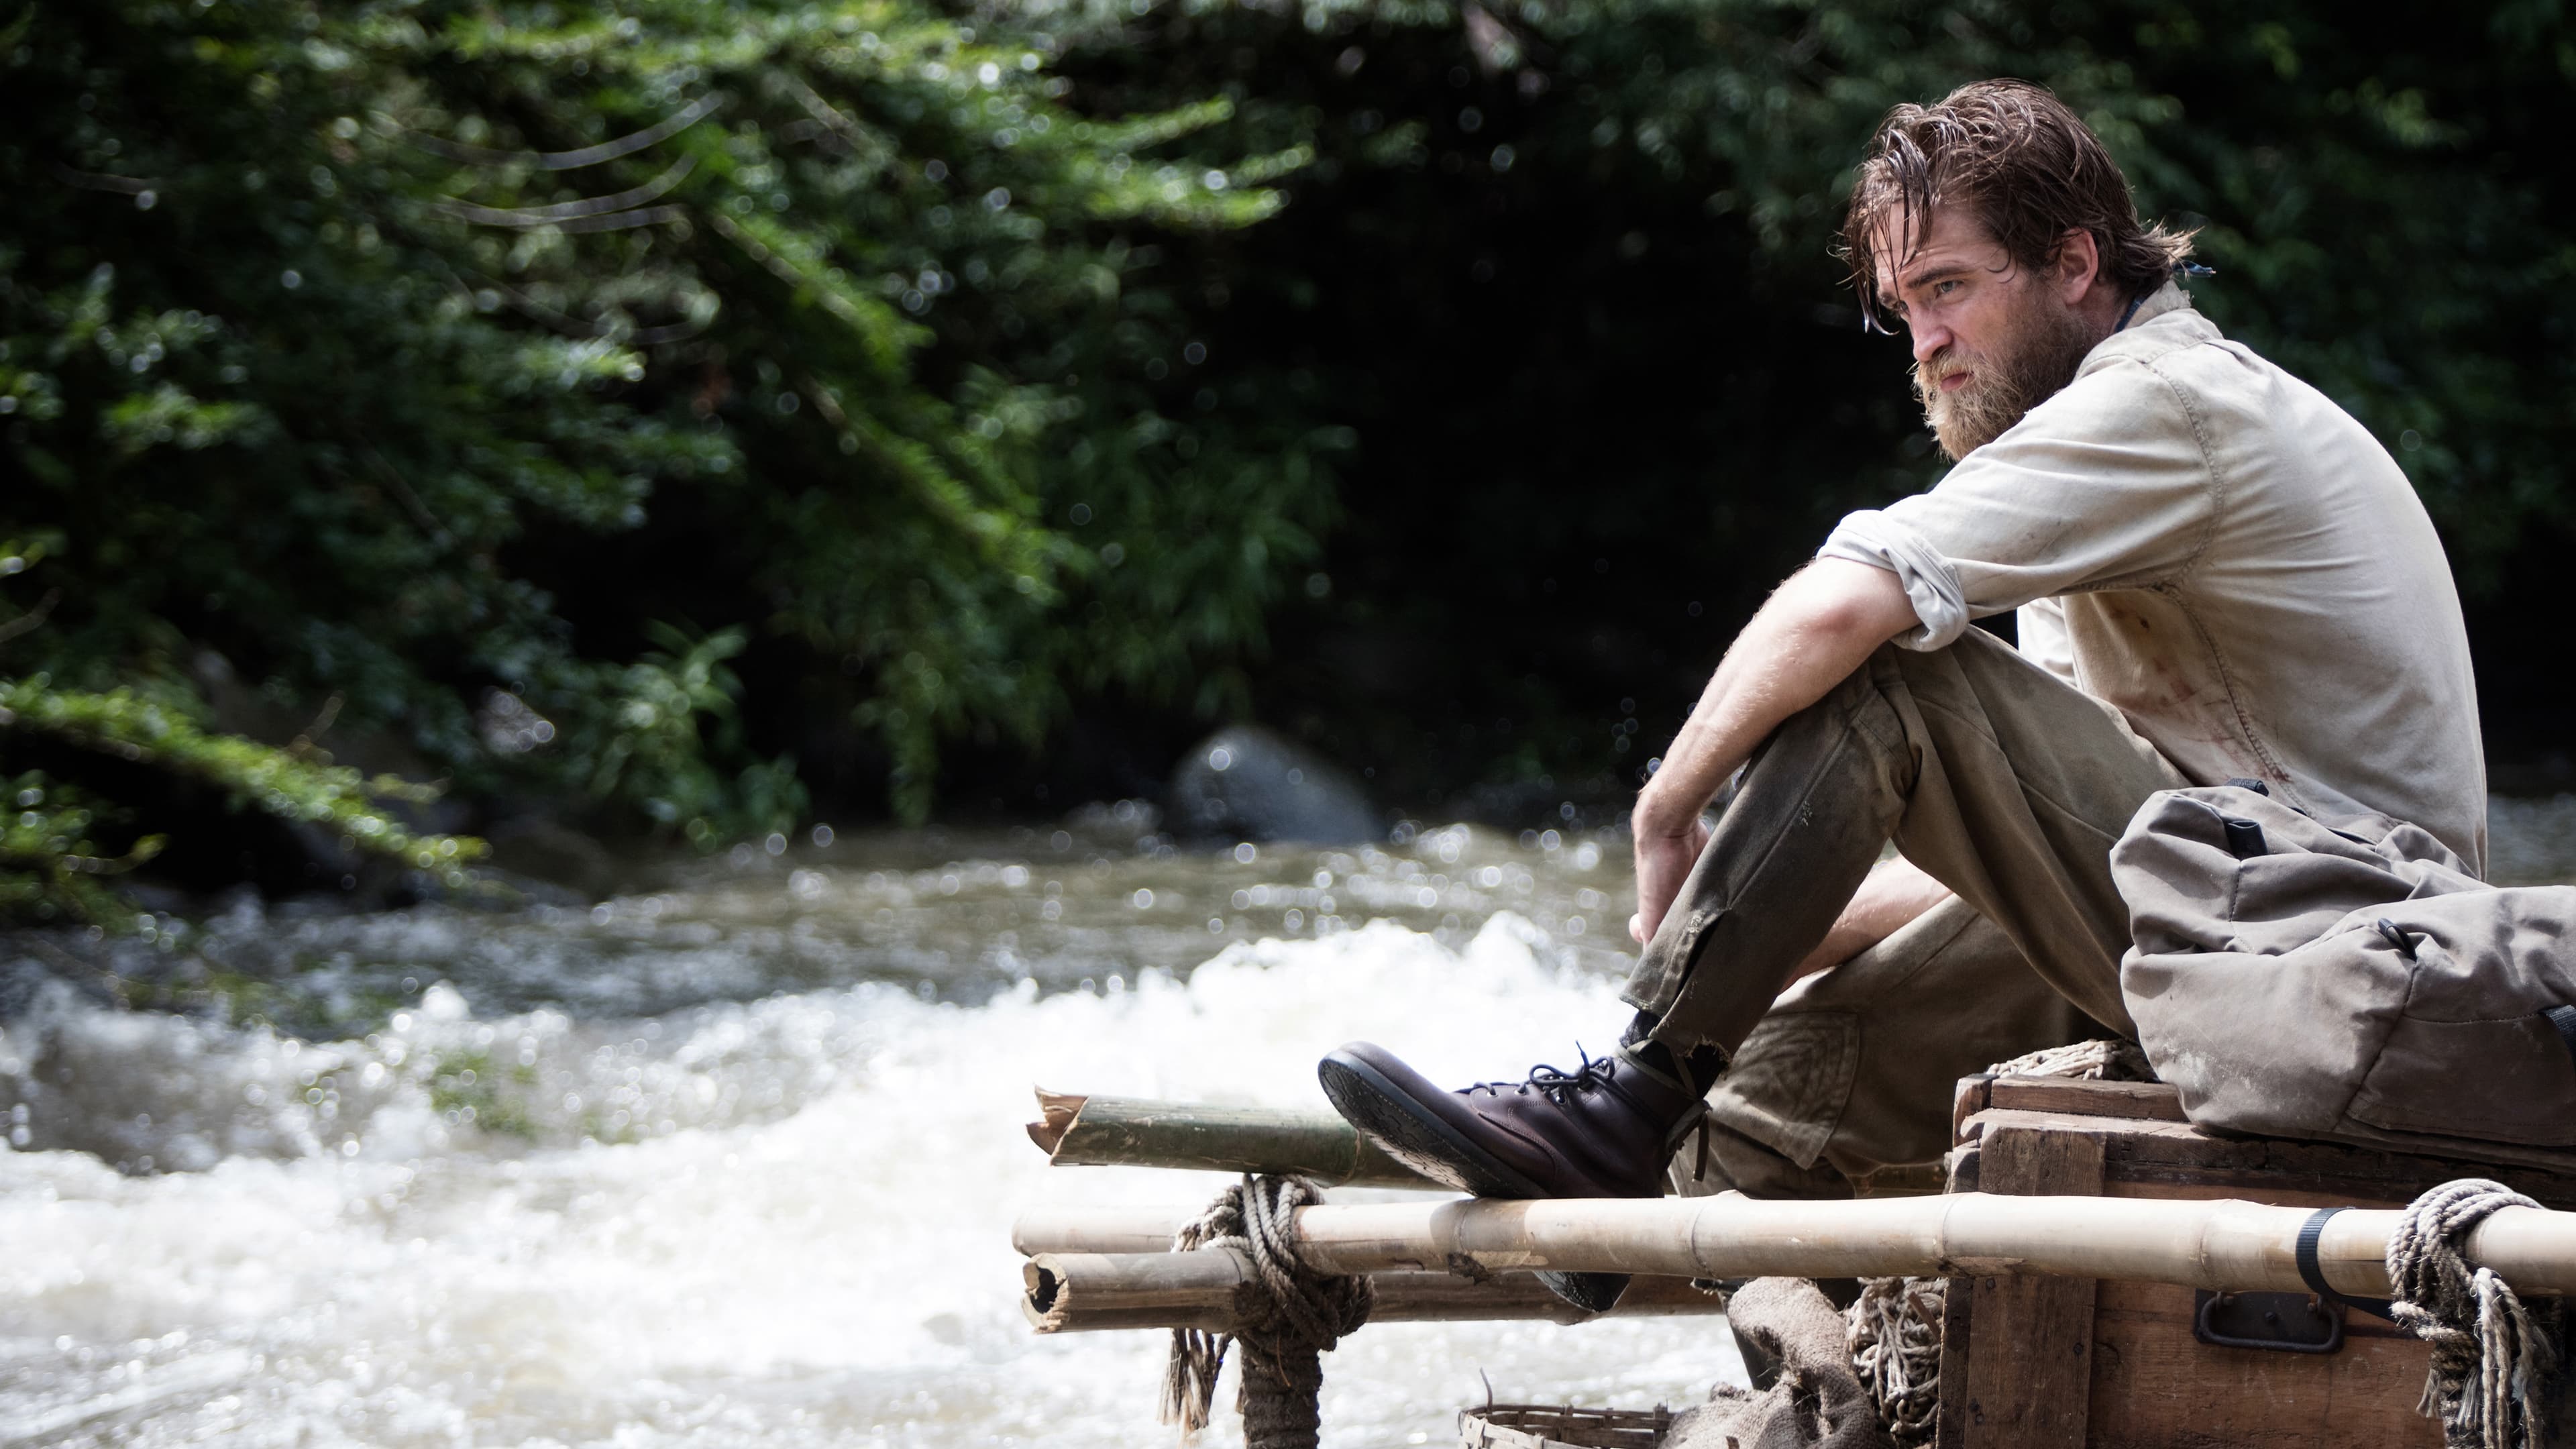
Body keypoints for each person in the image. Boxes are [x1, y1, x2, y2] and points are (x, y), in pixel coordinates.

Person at [1318, 78, 2485, 1300]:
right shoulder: (2095, 476)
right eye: (1903, 307)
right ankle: (1732, 1263)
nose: (1924, 341)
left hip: (2347, 969)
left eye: (1949, 288)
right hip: (2234, 923)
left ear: (2074, 265)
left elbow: (1851, 603)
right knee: (1763, 1094)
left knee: (1885, 671)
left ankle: (1626, 1095)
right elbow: (2019, 834)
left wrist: (1668, 811)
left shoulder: (2167, 403)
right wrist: (1773, 929)